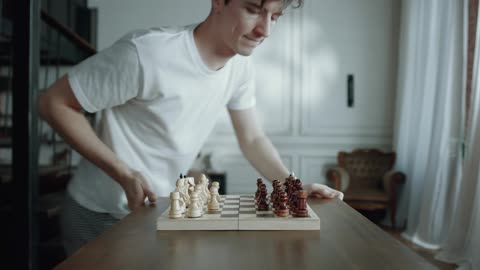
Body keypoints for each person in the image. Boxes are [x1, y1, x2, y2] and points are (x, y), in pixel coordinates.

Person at [38, 0, 343, 256]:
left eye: (275, 16)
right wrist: (123, 172)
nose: (265, 30)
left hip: (156, 211)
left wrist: (291, 186)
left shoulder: (240, 66)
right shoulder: (146, 53)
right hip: (100, 211)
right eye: (253, 9)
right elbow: (53, 103)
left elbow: (252, 138)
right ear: (218, 2)